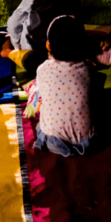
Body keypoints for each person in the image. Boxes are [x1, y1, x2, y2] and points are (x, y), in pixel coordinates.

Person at [34, 15, 95, 157]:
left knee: (38, 97)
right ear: (83, 45)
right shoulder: (89, 69)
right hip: (89, 142)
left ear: (48, 46)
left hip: (54, 143)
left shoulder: (42, 69)